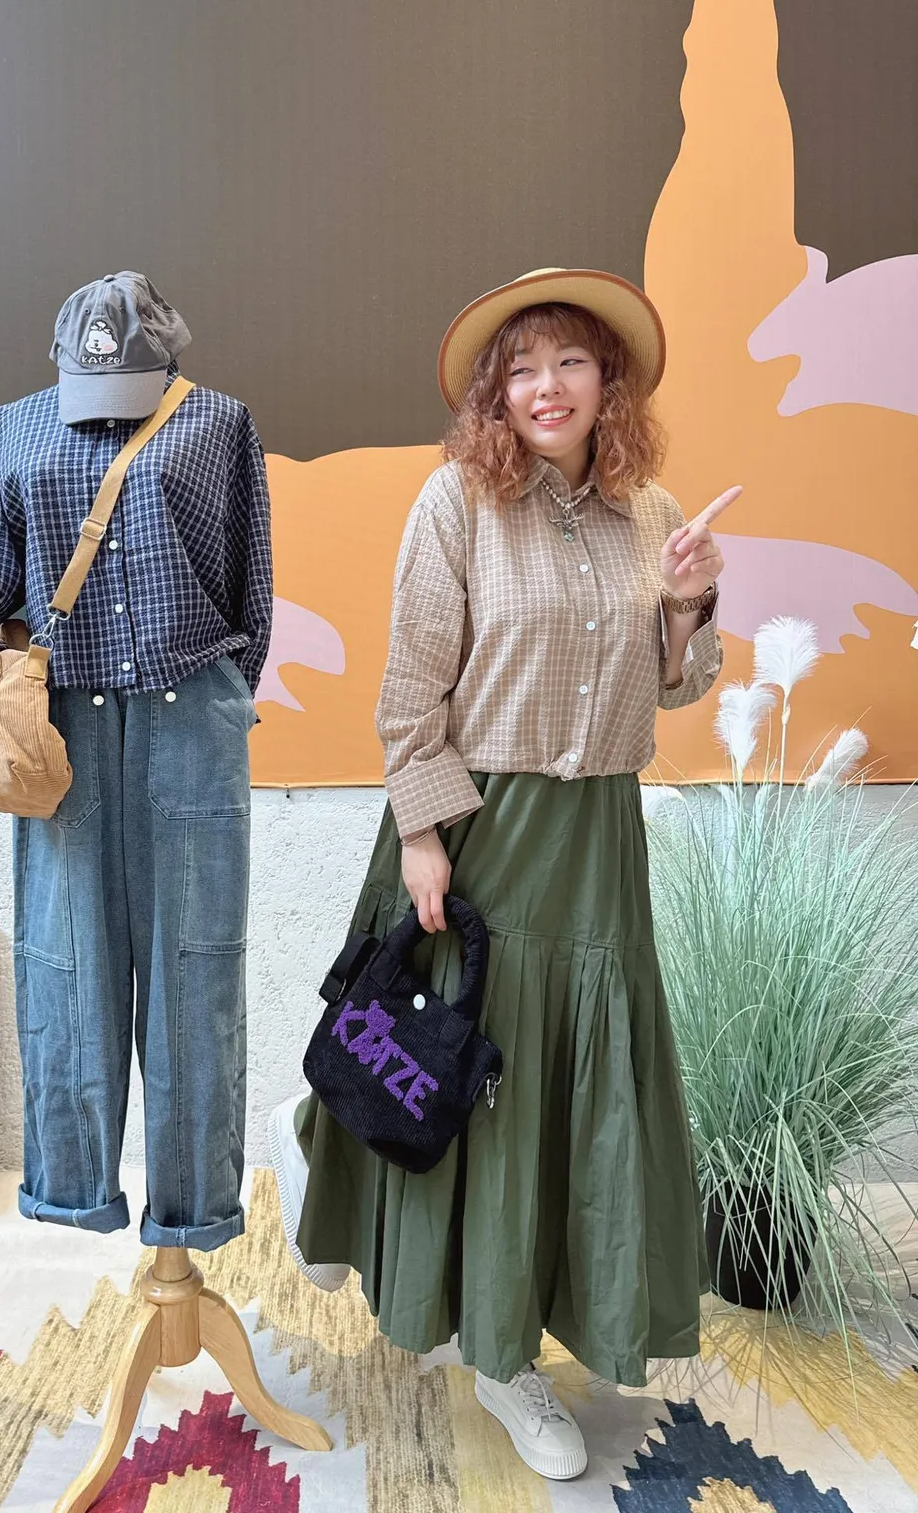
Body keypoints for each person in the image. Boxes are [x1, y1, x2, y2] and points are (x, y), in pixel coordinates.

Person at [270, 268, 737, 1480]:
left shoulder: (651, 511)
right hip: (479, 826)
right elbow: (411, 683)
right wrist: (421, 832)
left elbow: (679, 684)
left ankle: (523, 1327)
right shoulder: (457, 502)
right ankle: (489, 1343)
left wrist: (689, 602)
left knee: (559, 1090)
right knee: (459, 1069)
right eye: (522, 368)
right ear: (496, 392)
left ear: (607, 381)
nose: (546, 387)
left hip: (596, 840)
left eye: (570, 361)